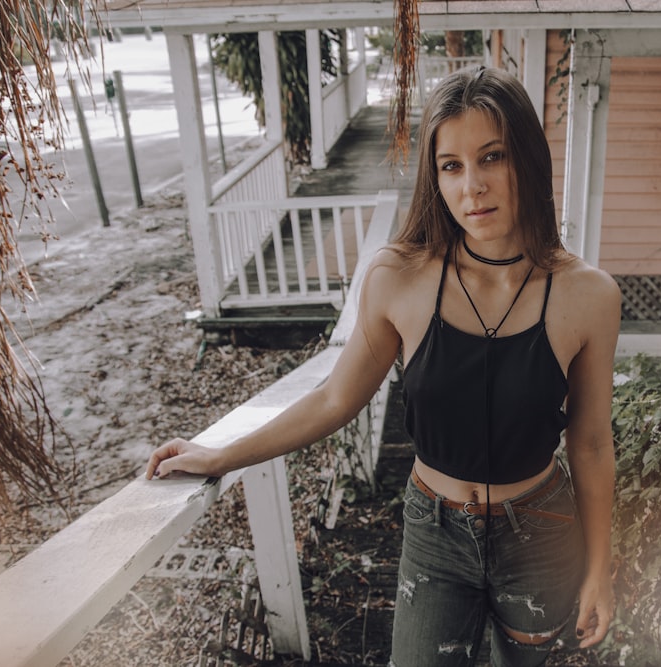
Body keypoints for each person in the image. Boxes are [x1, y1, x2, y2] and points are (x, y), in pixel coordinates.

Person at [145, 64, 620, 666]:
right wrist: (219, 456)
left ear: (527, 159)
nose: (472, 186)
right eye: (451, 165)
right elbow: (334, 400)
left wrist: (600, 570)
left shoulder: (589, 295)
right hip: (436, 533)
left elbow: (592, 444)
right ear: (435, 176)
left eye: (492, 157)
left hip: (543, 531)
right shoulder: (400, 278)